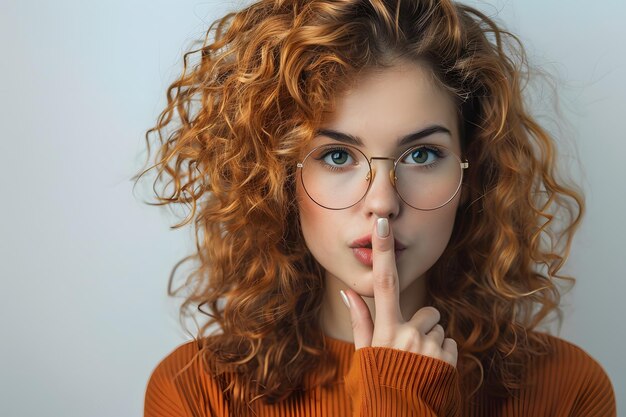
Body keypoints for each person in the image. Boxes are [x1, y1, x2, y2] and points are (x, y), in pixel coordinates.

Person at [137, 0, 616, 415]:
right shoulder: (198, 392)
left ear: (474, 173)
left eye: (422, 155)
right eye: (337, 156)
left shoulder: (564, 389)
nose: (383, 202)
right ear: (282, 177)